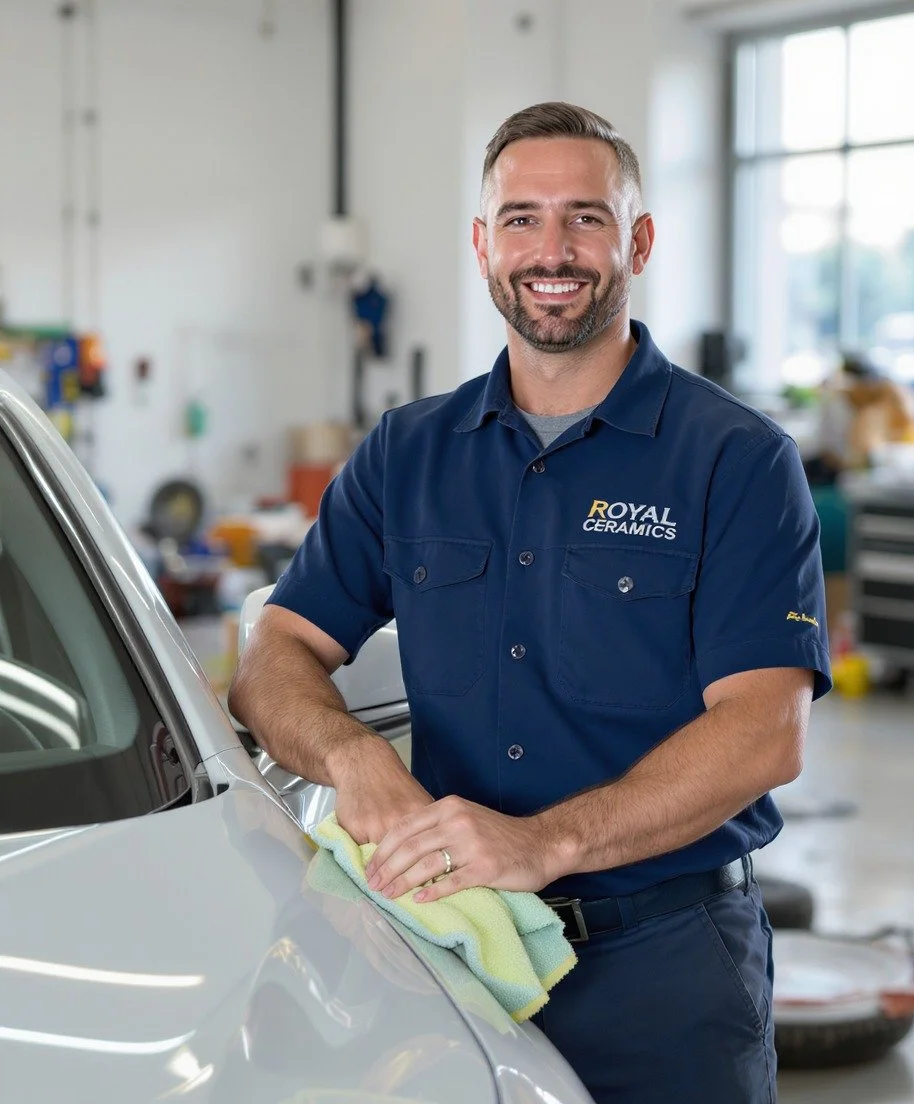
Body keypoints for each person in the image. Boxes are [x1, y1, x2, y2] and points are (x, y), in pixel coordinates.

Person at [228, 101, 832, 1104]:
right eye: (520, 219)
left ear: (636, 239)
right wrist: (356, 760)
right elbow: (276, 647)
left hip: (666, 969)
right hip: (456, 954)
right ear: (480, 245)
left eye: (584, 217)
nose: (551, 250)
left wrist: (541, 842)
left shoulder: (734, 460)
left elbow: (762, 734)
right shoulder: (406, 453)